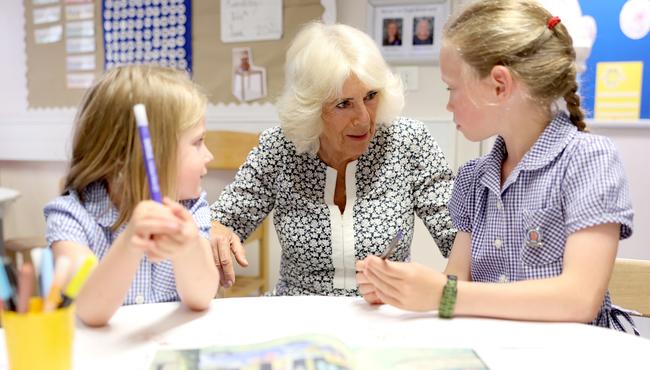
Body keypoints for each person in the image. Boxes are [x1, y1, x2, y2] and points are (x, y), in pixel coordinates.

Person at [357, 0, 636, 333]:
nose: (448, 103)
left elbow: (579, 299)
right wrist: (397, 287)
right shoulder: (474, 179)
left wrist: (443, 293)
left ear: (500, 86)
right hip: (495, 351)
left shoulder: (589, 161)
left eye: (452, 88)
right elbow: (455, 284)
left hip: (569, 360)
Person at [210, 22, 455, 296]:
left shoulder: (408, 141)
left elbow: (457, 235)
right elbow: (224, 220)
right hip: (298, 312)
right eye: (343, 104)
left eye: (371, 96)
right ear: (312, 108)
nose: (364, 118)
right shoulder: (280, 147)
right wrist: (216, 230)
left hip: (383, 310)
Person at [44, 65, 219, 326]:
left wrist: (189, 245)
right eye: (197, 142)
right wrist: (129, 244)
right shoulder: (71, 216)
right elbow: (90, 311)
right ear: (141, 155)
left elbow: (202, 296)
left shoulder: (191, 209)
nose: (209, 155)